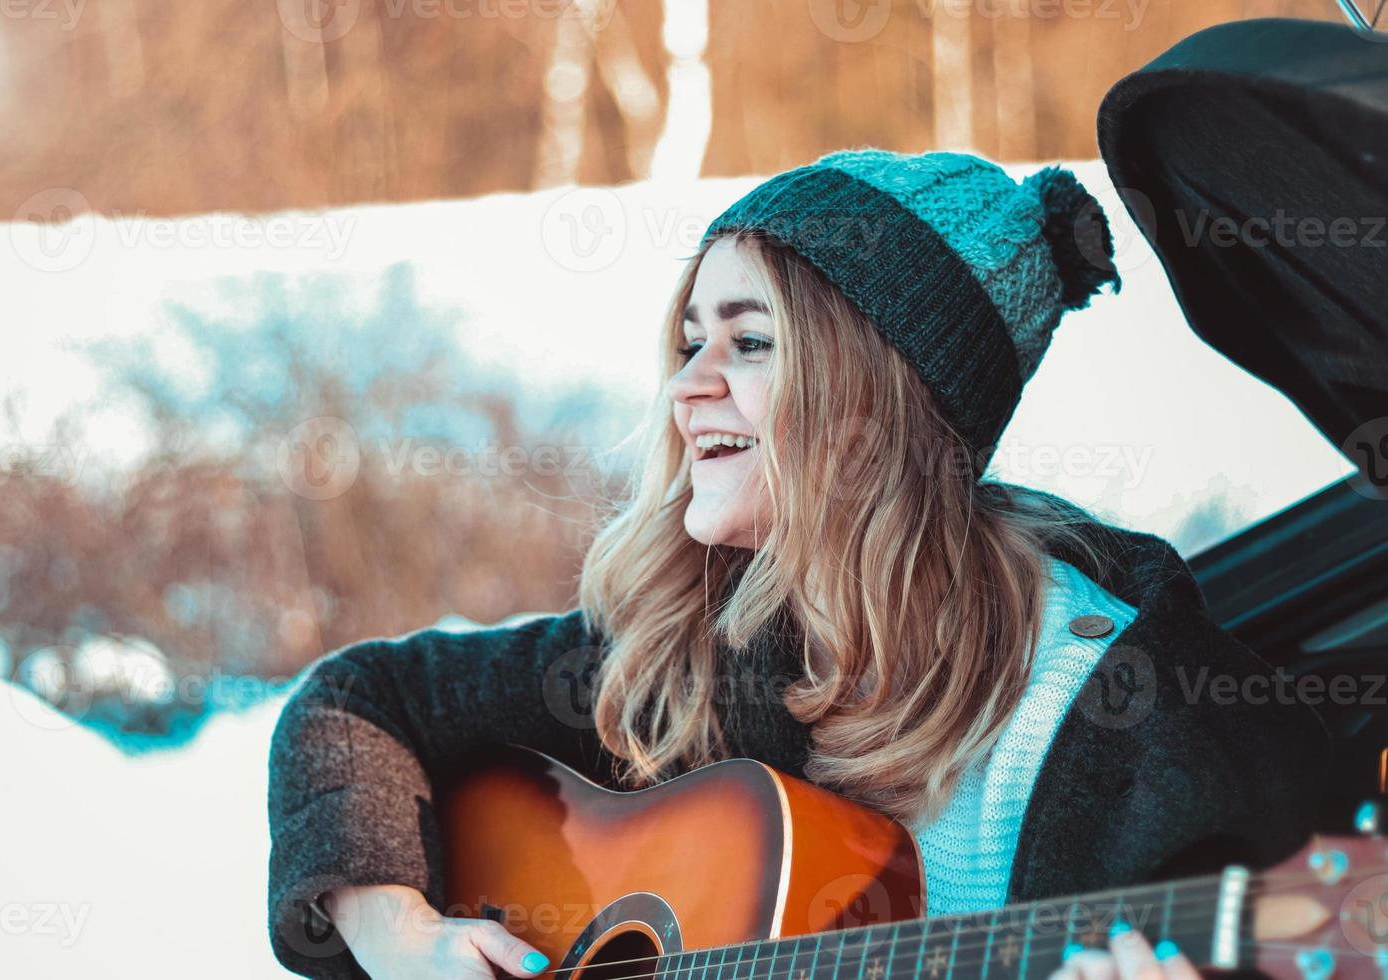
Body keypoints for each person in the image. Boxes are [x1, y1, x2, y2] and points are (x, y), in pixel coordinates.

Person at [265, 149, 1330, 980]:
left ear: (875, 396)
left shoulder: (1130, 717)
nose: (688, 387)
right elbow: (361, 698)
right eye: (690, 342)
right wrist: (392, 923)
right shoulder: (712, 633)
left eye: (748, 342)